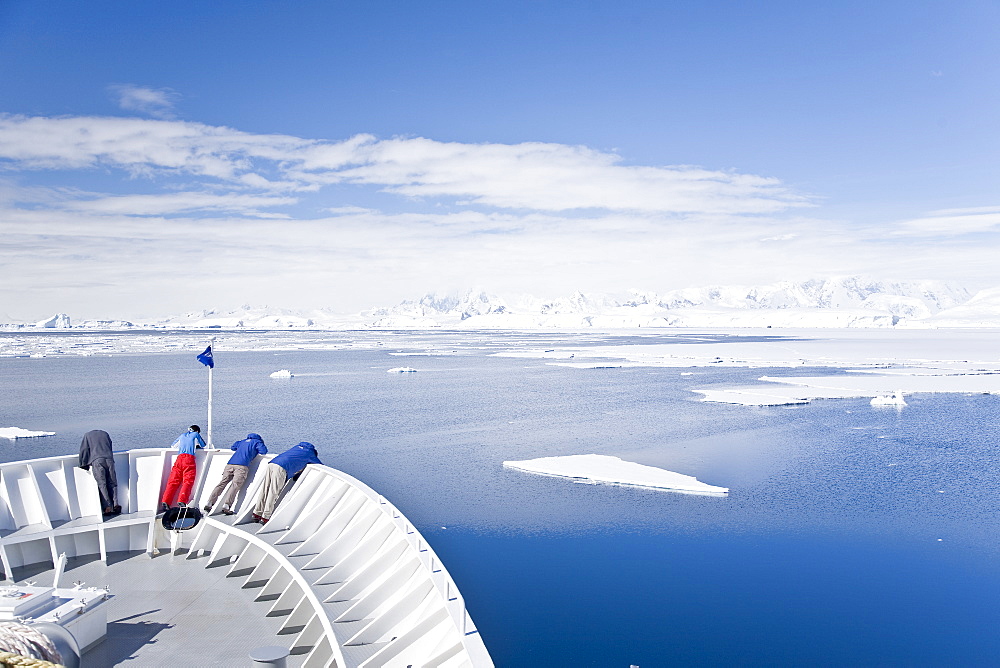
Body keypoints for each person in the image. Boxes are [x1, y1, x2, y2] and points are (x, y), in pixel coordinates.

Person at [252, 441, 321, 524]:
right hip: (281, 468)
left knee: (265, 489)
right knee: (273, 492)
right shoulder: (310, 453)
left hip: (272, 463)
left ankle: (256, 513)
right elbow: (319, 464)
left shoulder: (296, 448)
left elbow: (294, 460)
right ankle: (265, 517)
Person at [204, 432, 267, 515]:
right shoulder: (257, 442)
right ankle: (227, 506)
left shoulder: (242, 441)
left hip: (230, 464)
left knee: (222, 483)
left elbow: (233, 447)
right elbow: (263, 451)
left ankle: (209, 502)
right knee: (235, 485)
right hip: (241, 466)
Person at [160, 425, 206, 512]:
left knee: (173, 481)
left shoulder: (182, 435)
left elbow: (173, 446)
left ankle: (165, 502)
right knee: (188, 481)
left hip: (179, 459)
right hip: (189, 459)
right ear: (197, 431)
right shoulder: (196, 435)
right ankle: (182, 501)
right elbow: (203, 444)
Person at [79, 429, 121, 516]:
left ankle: (107, 507)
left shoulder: (87, 435)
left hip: (97, 460)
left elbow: (84, 450)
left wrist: (83, 464)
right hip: (109, 459)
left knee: (102, 484)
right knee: (112, 483)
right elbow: (110, 446)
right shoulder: (105, 434)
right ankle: (116, 504)